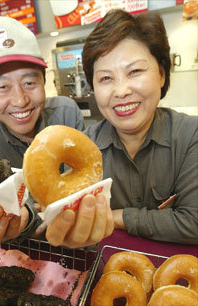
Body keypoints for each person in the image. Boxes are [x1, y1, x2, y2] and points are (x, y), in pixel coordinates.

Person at [0, 15, 114, 249]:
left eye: (29, 83)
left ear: (44, 80)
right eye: (2, 86)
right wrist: (28, 217)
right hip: (17, 248)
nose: (20, 100)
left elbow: (85, 184)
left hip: (75, 241)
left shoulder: (66, 113)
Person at [81, 9, 197, 245]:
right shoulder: (82, 149)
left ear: (162, 75)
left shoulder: (190, 136)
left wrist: (117, 216)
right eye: (105, 78)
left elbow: (194, 223)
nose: (121, 91)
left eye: (134, 71)